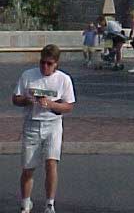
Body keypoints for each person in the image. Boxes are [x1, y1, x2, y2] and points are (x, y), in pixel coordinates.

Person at [12, 44, 76, 213]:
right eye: (42, 63)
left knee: (51, 163)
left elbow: (69, 106)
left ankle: (49, 203)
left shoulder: (63, 79)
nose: (45, 67)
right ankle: (26, 202)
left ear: (56, 64)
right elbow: (15, 99)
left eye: (49, 64)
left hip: (53, 124)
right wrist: (26, 100)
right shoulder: (28, 75)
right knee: (28, 167)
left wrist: (51, 104)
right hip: (32, 123)